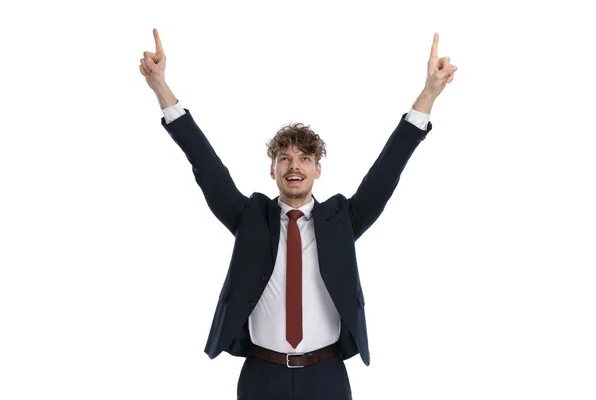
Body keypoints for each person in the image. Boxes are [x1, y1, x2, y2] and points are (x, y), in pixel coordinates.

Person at [139, 28, 457, 400]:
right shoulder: (249, 216)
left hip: (326, 376)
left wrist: (428, 95)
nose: (294, 166)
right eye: (284, 158)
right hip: (262, 375)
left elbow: (387, 170)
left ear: (317, 170)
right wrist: (162, 89)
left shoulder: (343, 219)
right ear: (272, 169)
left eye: (305, 159)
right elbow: (205, 165)